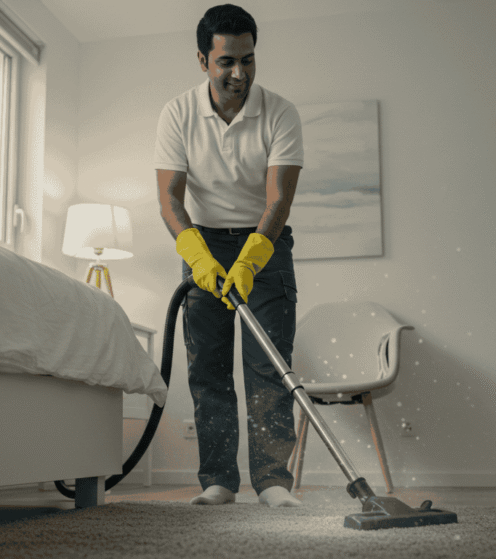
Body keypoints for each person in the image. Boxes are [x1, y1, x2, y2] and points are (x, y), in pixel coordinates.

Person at [154, 4, 305, 508]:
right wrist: (196, 254)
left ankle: (273, 483)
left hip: (266, 242)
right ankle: (218, 481)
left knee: (270, 366)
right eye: (226, 62)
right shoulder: (177, 114)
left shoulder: (280, 112)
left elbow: (278, 199)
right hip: (204, 243)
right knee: (209, 367)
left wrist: (251, 258)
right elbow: (170, 197)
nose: (238, 73)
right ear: (203, 60)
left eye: (248, 60)